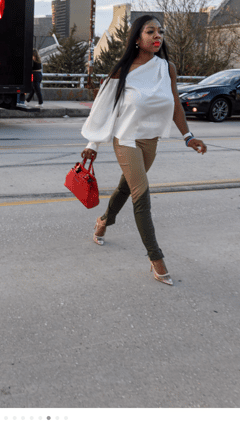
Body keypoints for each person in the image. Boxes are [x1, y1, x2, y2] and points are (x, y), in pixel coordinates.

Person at [79, 15, 206, 286]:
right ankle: (156, 259)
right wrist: (93, 144)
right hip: (126, 140)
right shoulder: (122, 70)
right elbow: (104, 107)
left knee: (127, 187)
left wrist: (188, 136)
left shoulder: (166, 68)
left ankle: (103, 220)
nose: (157, 36)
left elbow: (175, 105)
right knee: (141, 194)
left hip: (151, 141)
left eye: (160, 31)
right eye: (150, 32)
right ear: (137, 38)